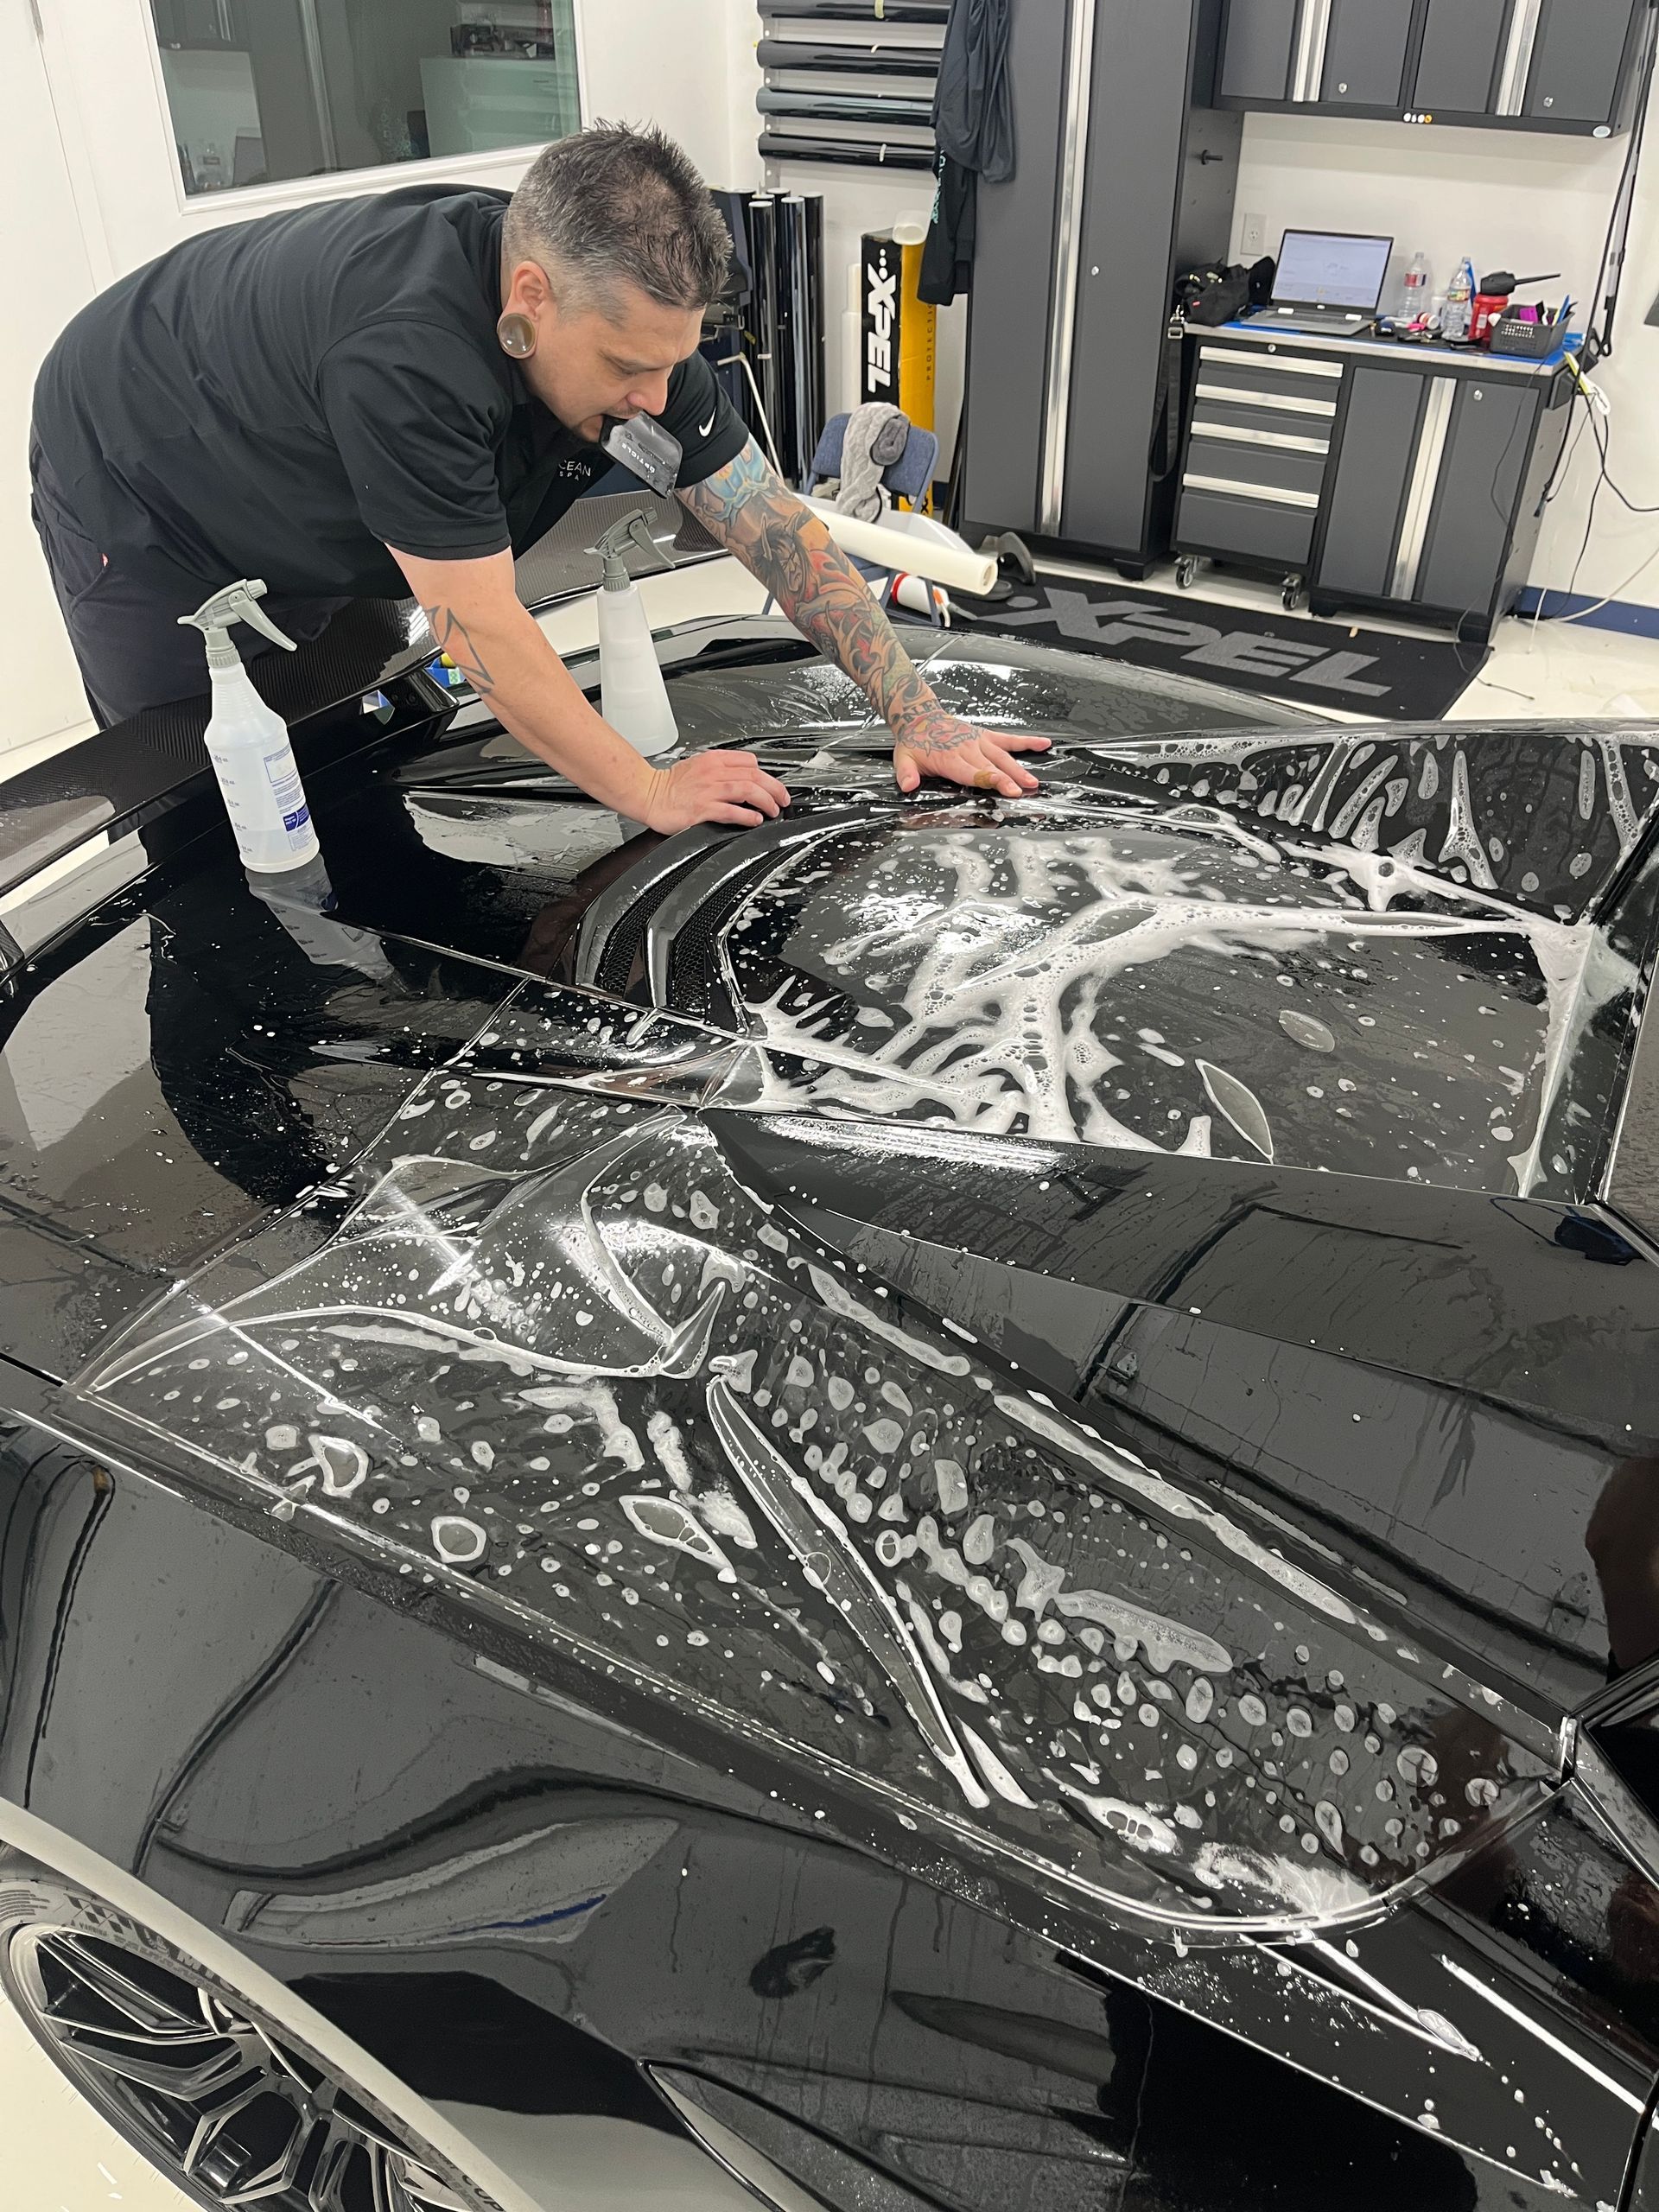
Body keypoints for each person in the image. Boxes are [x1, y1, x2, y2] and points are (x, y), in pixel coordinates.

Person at [29, 123, 1047, 836]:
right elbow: (483, 635)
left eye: (672, 363)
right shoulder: (410, 361)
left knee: (354, 740)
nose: (656, 398)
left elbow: (772, 526)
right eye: (625, 368)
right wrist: (649, 790)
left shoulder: (627, 330)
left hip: (296, 445)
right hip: (138, 471)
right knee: (207, 796)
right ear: (531, 296)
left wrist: (916, 712)